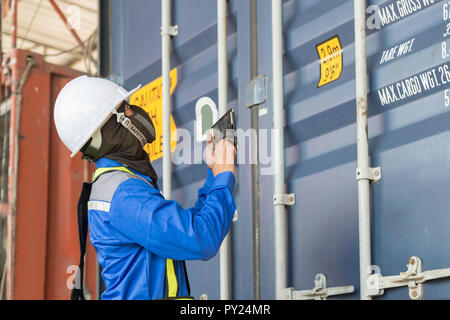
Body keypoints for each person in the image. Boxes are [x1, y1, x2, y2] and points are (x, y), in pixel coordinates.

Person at [54, 75, 236, 300]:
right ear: (111, 129)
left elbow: (185, 228)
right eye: (127, 109)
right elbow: (200, 238)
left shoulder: (116, 186)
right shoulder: (125, 194)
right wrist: (223, 178)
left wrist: (214, 174)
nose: (135, 112)